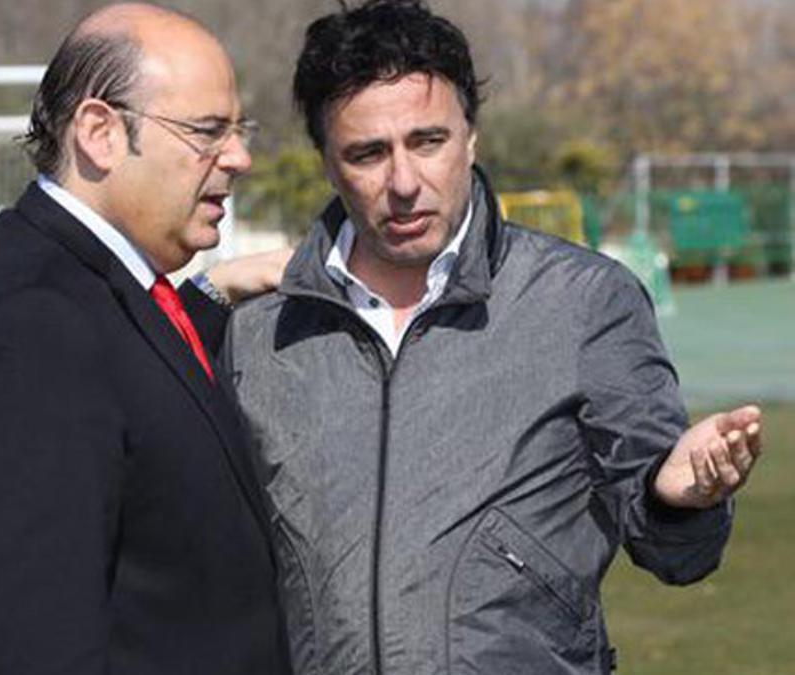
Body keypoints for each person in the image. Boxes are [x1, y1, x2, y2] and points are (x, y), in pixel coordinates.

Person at [225, 1, 764, 673]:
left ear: (471, 137)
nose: (402, 182)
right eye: (367, 153)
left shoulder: (585, 302)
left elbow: (679, 555)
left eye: (428, 141)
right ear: (328, 163)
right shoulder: (260, 336)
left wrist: (673, 497)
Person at [0, 4, 290, 674]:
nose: (239, 157)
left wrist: (213, 293)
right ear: (100, 132)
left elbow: (135, 395)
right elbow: (32, 644)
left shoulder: (90, 287)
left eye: (239, 130)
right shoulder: (30, 326)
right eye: (208, 131)